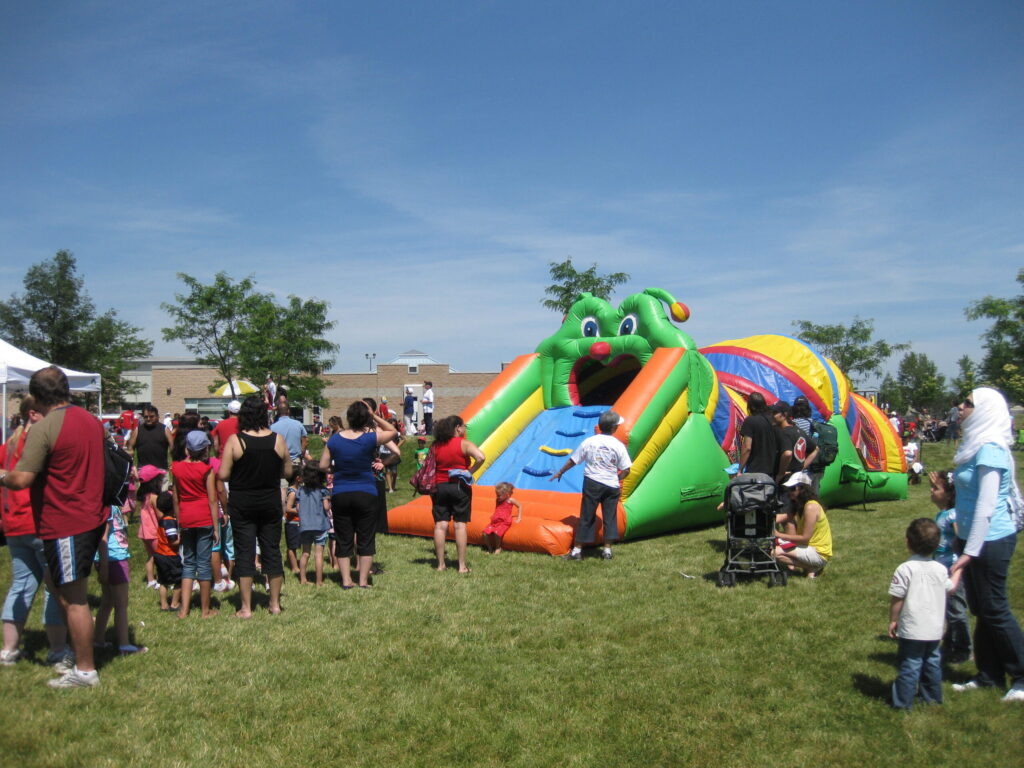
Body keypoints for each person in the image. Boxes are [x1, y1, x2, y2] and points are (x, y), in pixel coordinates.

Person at [1, 366, 106, 688]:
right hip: (87, 517)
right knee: (62, 593)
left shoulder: (46, 427)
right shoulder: (92, 421)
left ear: (38, 395)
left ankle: (85, 671)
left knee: (74, 599)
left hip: (64, 522)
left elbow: (21, 479)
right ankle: (75, 656)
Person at [948, 388, 1024, 702]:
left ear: (985, 411)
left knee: (994, 609)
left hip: (992, 539)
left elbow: (986, 506)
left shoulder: (990, 449)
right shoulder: (975, 444)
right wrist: (961, 537)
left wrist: (968, 552)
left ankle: (1020, 676)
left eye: (968, 403)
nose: (962, 407)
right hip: (972, 537)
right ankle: (988, 675)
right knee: (980, 608)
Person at [0, 395, 70, 669]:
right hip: (40, 522)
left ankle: (9, 649)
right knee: (55, 588)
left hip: (14, 524)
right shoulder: (36, 442)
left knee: (21, 585)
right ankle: (56, 650)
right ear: (33, 414)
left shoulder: (7, 445)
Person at [218, 395, 293, 618]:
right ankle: (275, 605)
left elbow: (223, 474)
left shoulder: (235, 440)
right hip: (269, 501)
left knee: (245, 551)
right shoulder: (277, 439)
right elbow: (288, 471)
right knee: (271, 550)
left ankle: (246, 608)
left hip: (243, 503)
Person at [319, 401, 398, 588]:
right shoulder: (369, 438)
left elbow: (322, 466)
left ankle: (346, 580)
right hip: (366, 492)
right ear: (366, 419)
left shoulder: (335, 439)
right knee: (366, 537)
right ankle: (363, 581)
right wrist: (375, 415)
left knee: (344, 537)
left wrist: (335, 468)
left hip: (341, 493)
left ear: (348, 418)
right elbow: (393, 432)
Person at [888, 518, 954, 710]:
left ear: (908, 541)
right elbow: (950, 588)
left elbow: (897, 598)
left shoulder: (905, 569)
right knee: (932, 663)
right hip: (935, 628)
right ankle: (932, 699)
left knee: (910, 664)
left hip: (912, 628)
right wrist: (958, 572)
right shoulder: (941, 569)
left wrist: (893, 620)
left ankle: (902, 703)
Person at [551, 410, 631, 561]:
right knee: (610, 517)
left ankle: (577, 551)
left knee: (587, 516)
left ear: (600, 426)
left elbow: (574, 460)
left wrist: (561, 472)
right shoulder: (618, 445)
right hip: (611, 485)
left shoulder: (590, 441)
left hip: (592, 482)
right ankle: (607, 551)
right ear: (614, 428)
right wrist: (616, 478)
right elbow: (627, 469)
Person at [171, 430, 220, 619]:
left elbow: (175, 497)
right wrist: (216, 527)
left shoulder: (176, 468)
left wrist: (178, 520)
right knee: (204, 564)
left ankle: (184, 610)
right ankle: (205, 610)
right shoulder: (206, 469)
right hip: (204, 518)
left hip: (186, 518)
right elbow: (212, 499)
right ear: (204, 449)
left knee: (188, 563)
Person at [429, 415, 485, 572]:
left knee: (440, 525)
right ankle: (461, 566)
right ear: (457, 428)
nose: (465, 429)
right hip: (459, 487)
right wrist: (469, 472)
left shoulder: (437, 445)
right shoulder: (464, 444)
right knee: (460, 525)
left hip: (439, 486)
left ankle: (440, 565)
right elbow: (481, 457)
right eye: (464, 426)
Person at [929, 470, 972, 665]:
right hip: (942, 569)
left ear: (949, 494)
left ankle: (964, 648)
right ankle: (949, 643)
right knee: (946, 609)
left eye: (936, 488)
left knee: (956, 609)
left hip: (953, 569)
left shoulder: (953, 515)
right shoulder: (944, 513)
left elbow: (962, 538)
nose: (931, 490)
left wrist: (959, 563)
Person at [92, 503, 147, 654]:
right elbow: (102, 537)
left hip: (110, 558)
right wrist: (104, 566)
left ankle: (98, 639)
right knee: (121, 604)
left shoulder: (111, 506)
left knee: (107, 601)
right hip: (114, 559)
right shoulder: (106, 507)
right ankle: (124, 644)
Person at [773, 471, 832, 577]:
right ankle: (811, 568)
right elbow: (782, 517)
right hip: (807, 548)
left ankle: (812, 566)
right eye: (788, 489)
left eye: (792, 489)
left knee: (774, 553)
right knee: (773, 546)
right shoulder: (800, 506)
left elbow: (805, 538)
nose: (789, 492)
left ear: (802, 489)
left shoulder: (810, 507)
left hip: (818, 552)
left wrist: (779, 535)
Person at [293, 462, 331, 587]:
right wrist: (329, 504)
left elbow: (298, 508)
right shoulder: (323, 491)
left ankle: (303, 579)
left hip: (305, 526)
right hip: (319, 525)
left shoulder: (300, 491)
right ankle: (319, 581)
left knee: (305, 553)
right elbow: (326, 507)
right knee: (319, 554)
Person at [153, 491, 183, 612]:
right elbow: (173, 541)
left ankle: (164, 605)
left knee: (163, 581)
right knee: (179, 579)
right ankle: (175, 604)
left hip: (159, 554)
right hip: (169, 555)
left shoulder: (161, 520)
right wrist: (182, 538)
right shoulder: (170, 522)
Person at [738, 392, 778, 476]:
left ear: (751, 407)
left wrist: (740, 469)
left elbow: (747, 447)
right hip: (772, 469)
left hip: (755, 470)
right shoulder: (772, 421)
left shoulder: (750, 421)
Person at [128, 404, 172, 476]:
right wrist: (132, 467)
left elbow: (172, 448)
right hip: (143, 470)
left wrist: (173, 463)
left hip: (161, 469)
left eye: (151, 416)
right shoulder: (137, 430)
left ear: (157, 416)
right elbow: (130, 449)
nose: (148, 419)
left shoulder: (165, 429)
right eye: (146, 417)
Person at [482, 482, 522, 554]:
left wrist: (519, 517)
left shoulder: (510, 500)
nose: (497, 497)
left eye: (499, 495)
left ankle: (498, 548)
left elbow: (519, 506)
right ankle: (490, 549)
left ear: (506, 494)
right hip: (495, 521)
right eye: (497, 495)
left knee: (497, 533)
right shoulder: (497, 500)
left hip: (504, 522)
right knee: (485, 533)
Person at [271, 392, 308, 468]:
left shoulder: (272, 427)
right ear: (288, 411)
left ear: (278, 411)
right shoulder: (298, 424)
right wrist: (301, 454)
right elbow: (305, 441)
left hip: (280, 462)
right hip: (296, 461)